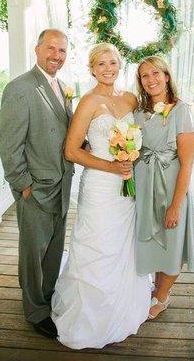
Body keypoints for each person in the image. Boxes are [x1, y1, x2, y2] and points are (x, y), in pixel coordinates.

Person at [51, 43, 152, 349]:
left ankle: (124, 306)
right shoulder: (88, 102)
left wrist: (129, 161)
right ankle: (90, 316)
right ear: (92, 69)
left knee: (123, 246)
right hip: (99, 187)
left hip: (126, 188)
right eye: (100, 64)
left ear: (119, 64)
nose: (107, 68)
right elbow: (71, 150)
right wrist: (111, 165)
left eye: (112, 63)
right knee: (98, 245)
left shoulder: (131, 99)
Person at [0, 29, 74, 338]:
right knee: (33, 253)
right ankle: (35, 310)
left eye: (62, 51)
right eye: (51, 48)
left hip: (62, 187)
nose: (56, 55)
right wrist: (23, 185)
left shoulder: (65, 87)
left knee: (54, 249)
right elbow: (9, 145)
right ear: (37, 48)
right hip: (36, 189)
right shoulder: (19, 89)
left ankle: (49, 295)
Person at [134, 56, 194, 320]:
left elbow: (187, 164)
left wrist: (176, 205)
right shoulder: (138, 112)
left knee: (171, 241)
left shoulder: (182, 111)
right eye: (144, 76)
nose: (151, 80)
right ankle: (156, 287)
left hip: (172, 186)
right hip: (144, 185)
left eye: (155, 73)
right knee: (152, 240)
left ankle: (162, 296)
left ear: (167, 76)